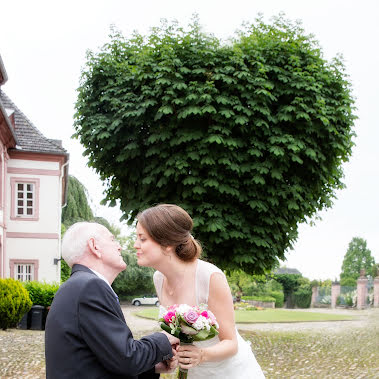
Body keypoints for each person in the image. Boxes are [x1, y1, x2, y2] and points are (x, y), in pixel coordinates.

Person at [134, 204, 265, 378]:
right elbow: (176, 332)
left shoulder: (210, 276)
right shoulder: (158, 278)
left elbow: (231, 344)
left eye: (142, 239)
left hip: (229, 372)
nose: (136, 245)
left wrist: (202, 355)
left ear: (167, 244)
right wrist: (172, 352)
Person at [45, 222, 179, 379]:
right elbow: (126, 358)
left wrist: (152, 366)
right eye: (112, 239)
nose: (119, 246)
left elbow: (107, 356)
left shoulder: (78, 286)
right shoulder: (90, 286)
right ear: (94, 246)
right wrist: (163, 339)